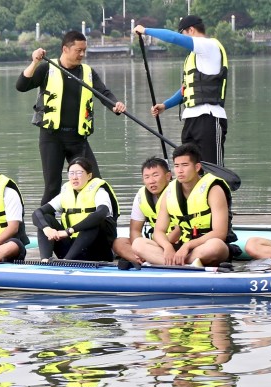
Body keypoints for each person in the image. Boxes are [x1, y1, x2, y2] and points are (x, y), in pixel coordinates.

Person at [16, 30, 127, 205]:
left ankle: (99, 225)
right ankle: (45, 229)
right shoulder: (47, 68)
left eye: (84, 50)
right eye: (78, 50)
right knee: (53, 187)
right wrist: (34, 62)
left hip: (78, 138)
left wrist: (116, 105)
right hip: (52, 138)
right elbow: (21, 86)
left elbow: (104, 93)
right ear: (65, 49)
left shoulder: (88, 72)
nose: (82, 54)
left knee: (95, 183)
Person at [134, 16, 229, 166]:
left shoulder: (208, 46)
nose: (183, 38)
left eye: (184, 33)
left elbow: (173, 37)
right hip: (190, 120)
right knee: (189, 170)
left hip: (210, 118)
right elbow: (186, 90)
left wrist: (145, 30)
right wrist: (165, 105)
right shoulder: (194, 57)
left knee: (212, 172)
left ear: (191, 30)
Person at [132, 143, 235, 266]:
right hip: (179, 247)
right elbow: (159, 231)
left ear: (197, 167)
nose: (180, 171)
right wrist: (167, 247)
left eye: (185, 165)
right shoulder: (169, 191)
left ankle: (171, 263)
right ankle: (183, 263)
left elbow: (220, 233)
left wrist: (188, 245)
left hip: (203, 246)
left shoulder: (214, 190)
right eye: (176, 166)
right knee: (138, 244)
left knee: (216, 247)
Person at [31, 157, 119, 262]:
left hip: (96, 250)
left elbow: (100, 214)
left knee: (94, 221)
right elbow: (37, 213)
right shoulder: (65, 193)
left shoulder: (100, 192)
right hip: (70, 248)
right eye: (71, 173)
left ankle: (67, 261)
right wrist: (47, 229)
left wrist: (69, 231)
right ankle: (45, 260)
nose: (74, 177)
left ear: (89, 175)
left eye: (79, 173)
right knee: (45, 218)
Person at [113, 157, 178, 263]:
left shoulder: (177, 192)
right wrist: (137, 252)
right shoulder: (141, 196)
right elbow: (135, 230)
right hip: (153, 243)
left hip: (175, 242)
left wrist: (163, 244)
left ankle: (157, 261)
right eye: (146, 177)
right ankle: (147, 260)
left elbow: (180, 229)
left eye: (156, 175)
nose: (151, 181)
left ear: (168, 176)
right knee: (119, 243)